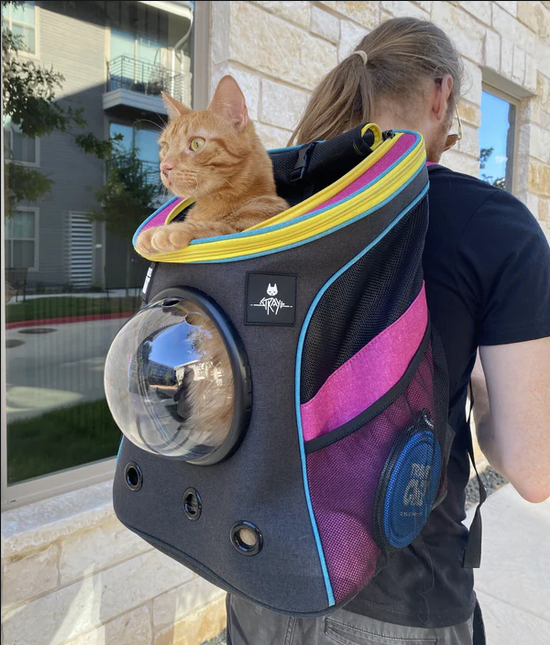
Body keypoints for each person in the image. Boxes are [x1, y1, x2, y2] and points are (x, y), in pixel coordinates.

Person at [225, 17, 550, 645]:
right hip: (398, 599)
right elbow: (534, 471)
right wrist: (482, 395)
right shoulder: (494, 227)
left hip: (255, 573)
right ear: (440, 95)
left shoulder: (279, 203)